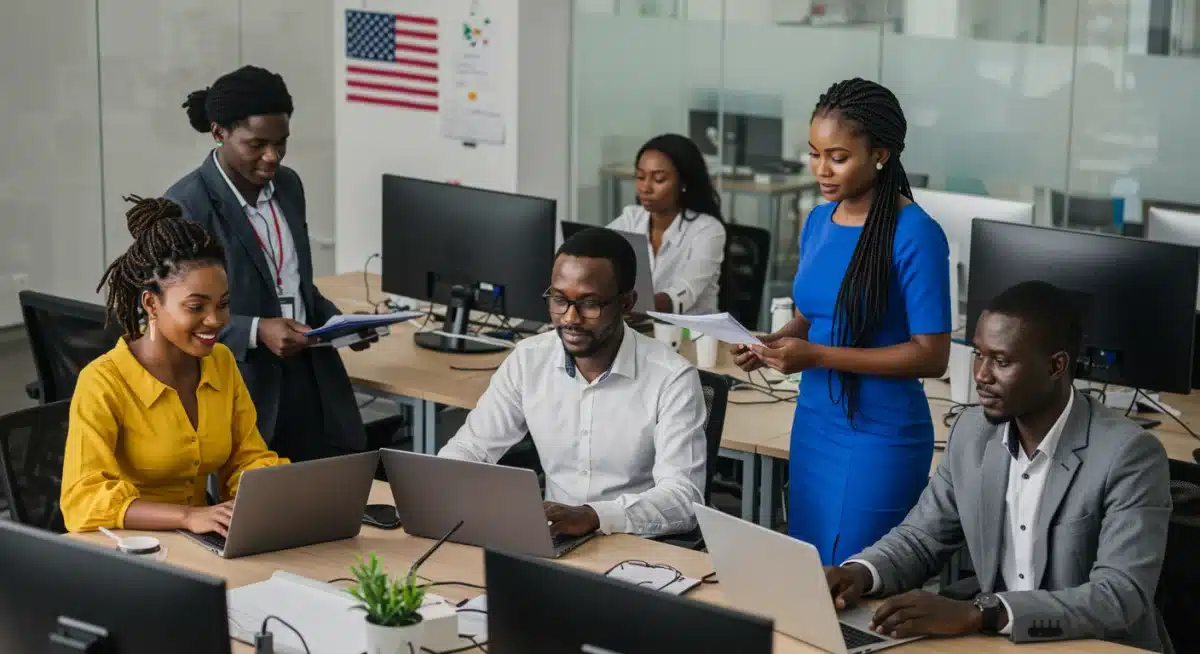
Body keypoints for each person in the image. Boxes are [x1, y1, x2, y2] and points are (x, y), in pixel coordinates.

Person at [827, 280, 1172, 652]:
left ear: (1057, 366)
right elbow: (922, 538)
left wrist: (984, 613)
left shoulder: (1129, 454)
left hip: (1096, 644)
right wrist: (858, 574)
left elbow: (1119, 595)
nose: (981, 375)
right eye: (978, 355)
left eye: (1001, 361)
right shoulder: (972, 433)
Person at [732, 78, 951, 565]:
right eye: (814, 154)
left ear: (880, 154)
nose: (820, 170)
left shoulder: (917, 234)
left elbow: (932, 355)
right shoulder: (818, 220)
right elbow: (814, 317)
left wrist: (816, 356)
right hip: (815, 422)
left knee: (852, 583)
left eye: (837, 156)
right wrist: (770, 343)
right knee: (809, 572)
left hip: (880, 436)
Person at [438, 227, 708, 537]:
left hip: (635, 544)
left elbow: (683, 499)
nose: (569, 318)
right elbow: (471, 449)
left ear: (626, 303)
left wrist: (594, 516)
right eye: (559, 299)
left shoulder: (672, 378)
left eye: (589, 303)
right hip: (550, 537)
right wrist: (440, 488)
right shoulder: (529, 359)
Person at [165, 65, 369, 462]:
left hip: (309, 376)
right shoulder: (185, 206)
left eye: (281, 142)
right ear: (219, 133)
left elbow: (294, 284)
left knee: (331, 501)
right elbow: (174, 319)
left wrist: (339, 325)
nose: (271, 157)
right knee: (262, 511)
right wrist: (258, 331)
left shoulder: (289, 187)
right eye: (256, 144)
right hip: (243, 384)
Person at [61, 196, 287, 535]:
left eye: (223, 304)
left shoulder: (220, 362)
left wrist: (280, 492)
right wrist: (186, 517)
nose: (215, 321)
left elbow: (247, 457)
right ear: (151, 303)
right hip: (129, 548)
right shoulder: (103, 381)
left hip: (205, 539)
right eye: (196, 307)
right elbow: (83, 498)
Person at [608, 133, 726, 315]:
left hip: (694, 336)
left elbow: (684, 293)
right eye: (640, 177)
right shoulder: (631, 218)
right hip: (643, 329)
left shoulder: (707, 229)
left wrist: (633, 305)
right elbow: (595, 250)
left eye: (659, 179)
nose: (645, 188)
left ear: (683, 183)